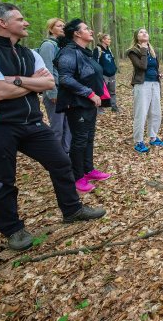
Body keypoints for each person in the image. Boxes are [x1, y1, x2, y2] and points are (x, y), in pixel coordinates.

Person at [0, 2, 106, 251]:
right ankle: (12, 229)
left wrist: (15, 80)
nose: (26, 22)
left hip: (31, 122)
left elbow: (49, 83)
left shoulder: (30, 53)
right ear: (2, 23)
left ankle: (72, 209)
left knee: (61, 161)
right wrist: (29, 83)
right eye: (20, 19)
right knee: (3, 179)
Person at [55, 19, 112, 193]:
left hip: (89, 103)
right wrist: (89, 92)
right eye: (87, 29)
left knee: (88, 137)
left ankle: (88, 170)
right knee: (79, 140)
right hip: (76, 103)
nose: (91, 31)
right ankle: (77, 177)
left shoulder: (84, 52)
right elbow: (65, 78)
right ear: (77, 34)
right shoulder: (68, 52)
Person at [127, 28, 163, 153]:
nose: (144, 33)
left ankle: (153, 137)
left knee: (155, 112)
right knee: (141, 113)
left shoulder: (152, 51)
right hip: (142, 84)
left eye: (146, 32)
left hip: (154, 83)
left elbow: (153, 67)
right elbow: (142, 66)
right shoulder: (133, 51)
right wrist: (143, 48)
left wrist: (158, 74)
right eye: (141, 32)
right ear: (136, 36)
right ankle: (139, 141)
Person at [38, 18, 72, 153]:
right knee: (57, 126)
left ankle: (66, 154)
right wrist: (52, 92)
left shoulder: (61, 45)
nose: (63, 28)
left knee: (68, 126)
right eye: (59, 26)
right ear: (51, 29)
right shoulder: (48, 45)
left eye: (64, 26)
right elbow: (47, 70)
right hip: (55, 90)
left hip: (65, 91)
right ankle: (56, 155)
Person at [93, 33, 119, 113]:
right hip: (103, 74)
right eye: (108, 39)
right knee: (101, 91)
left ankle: (114, 107)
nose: (109, 40)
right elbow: (95, 62)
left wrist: (114, 68)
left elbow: (112, 60)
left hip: (112, 74)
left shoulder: (109, 50)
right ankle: (99, 108)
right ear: (103, 40)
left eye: (110, 39)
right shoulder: (97, 49)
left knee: (112, 91)